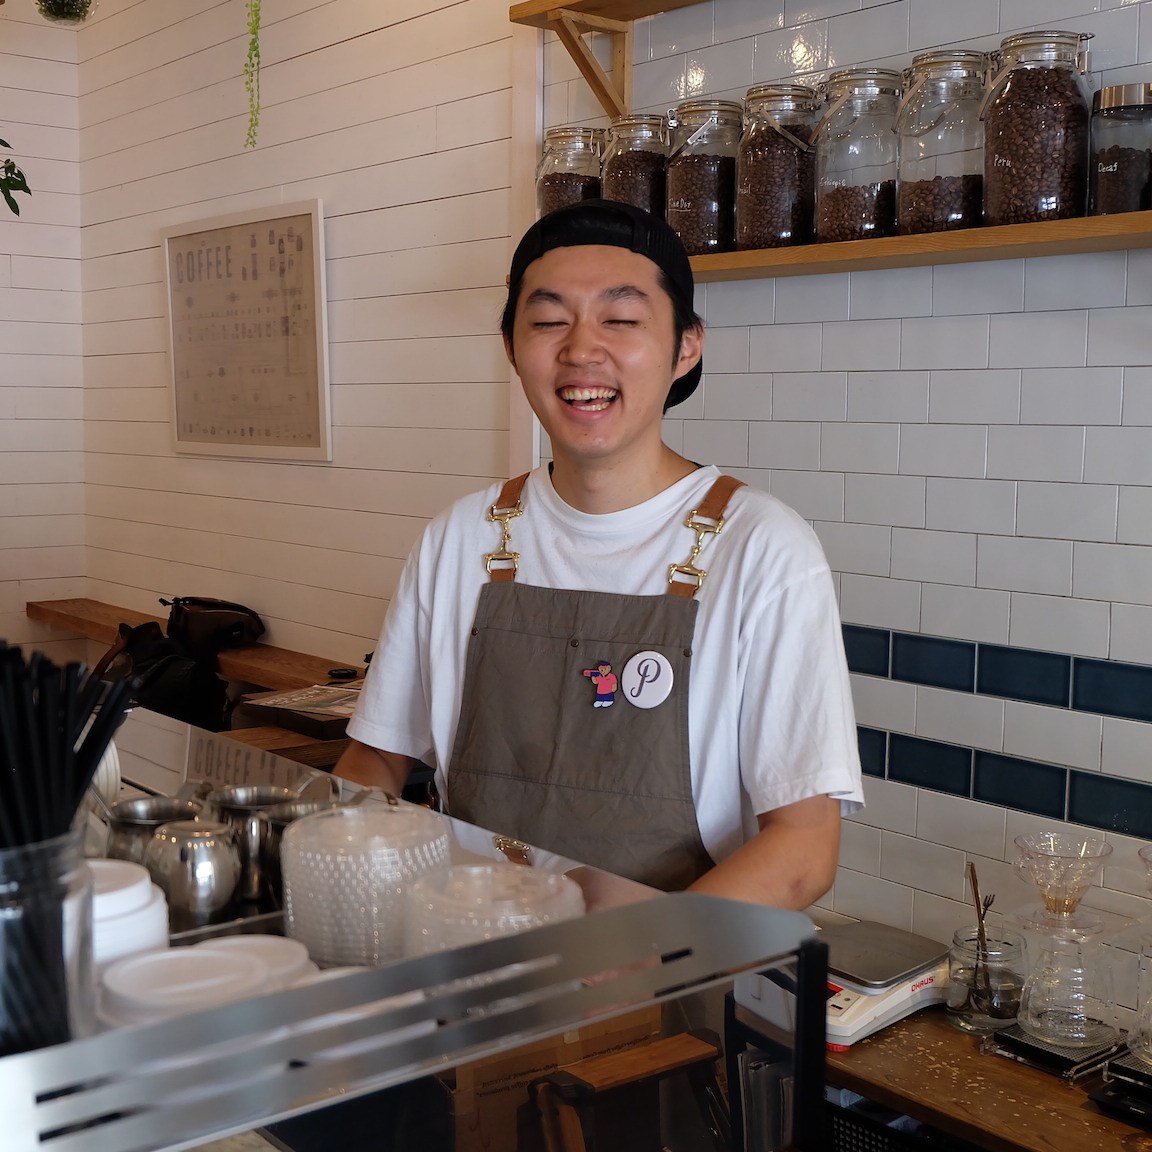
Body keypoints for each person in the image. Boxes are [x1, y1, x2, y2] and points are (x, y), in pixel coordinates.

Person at [336, 198, 862, 910]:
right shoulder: (459, 538)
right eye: (549, 320)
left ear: (686, 347)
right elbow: (375, 759)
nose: (581, 349)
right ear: (510, 346)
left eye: (621, 319)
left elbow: (803, 849)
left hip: (668, 982)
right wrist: (346, 879)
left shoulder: (763, 548)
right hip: (471, 948)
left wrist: (629, 954)